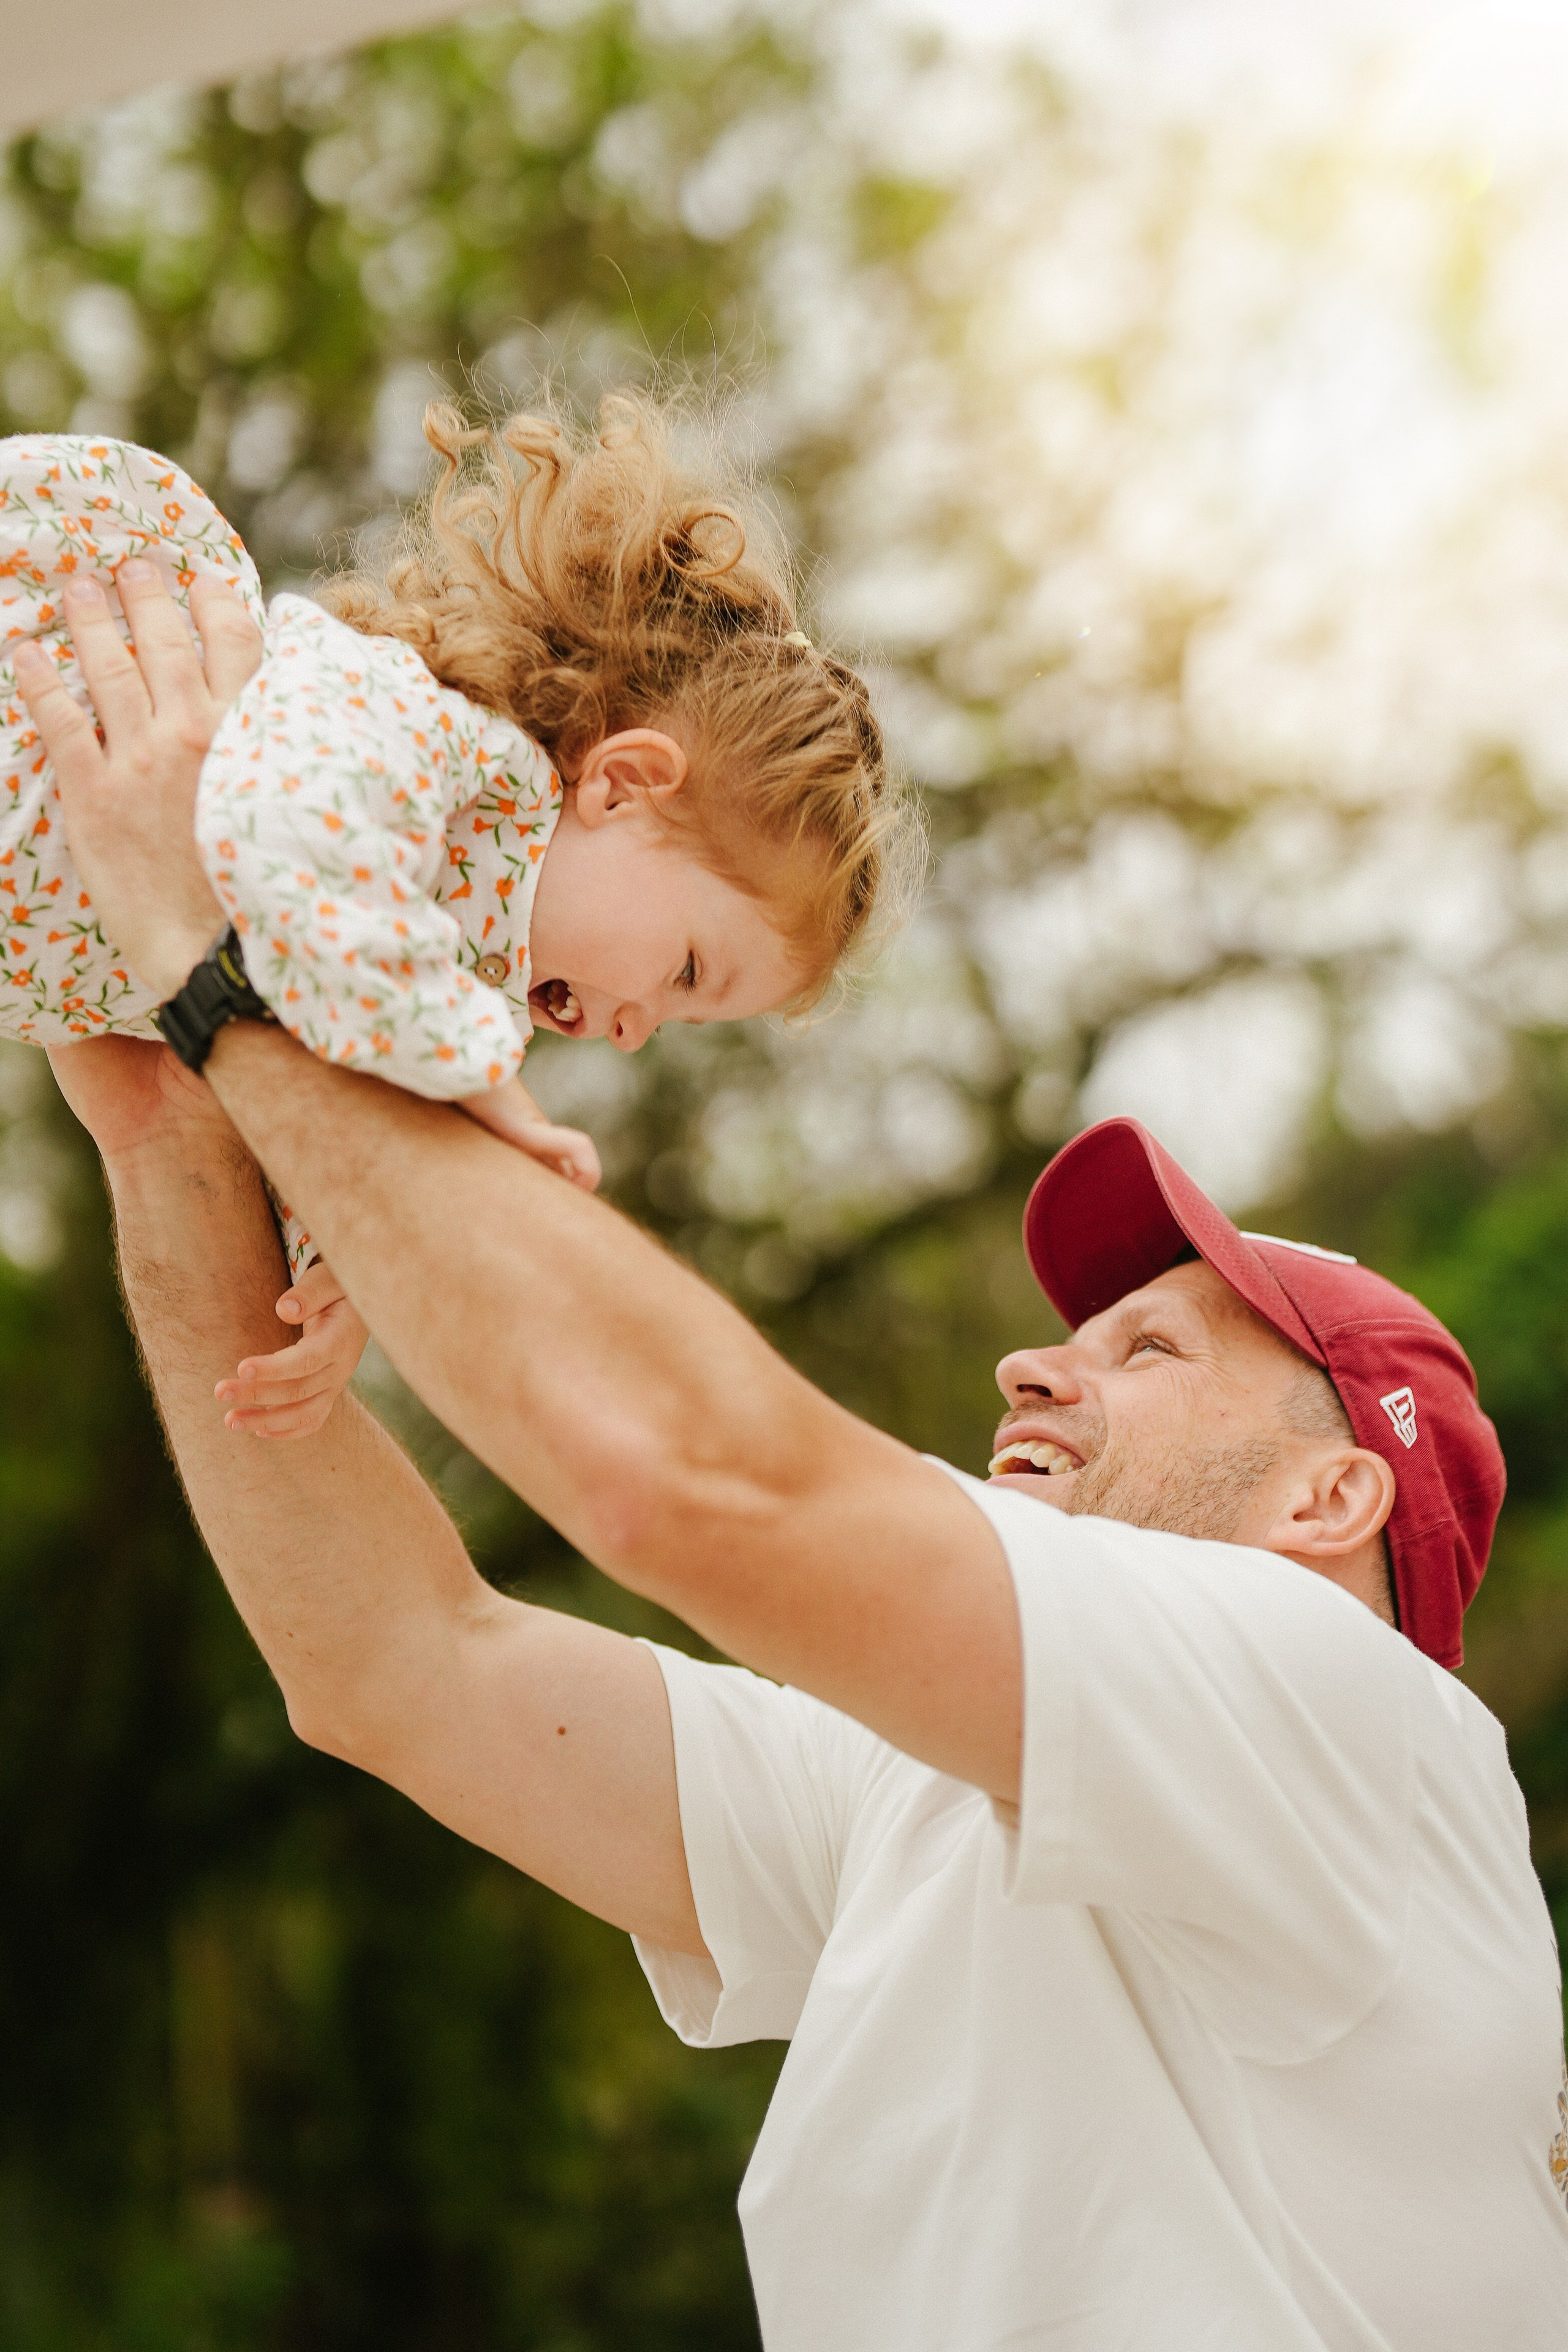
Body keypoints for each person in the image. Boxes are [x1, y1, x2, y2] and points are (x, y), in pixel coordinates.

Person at [20, 573, 1568, 2351]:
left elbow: (691, 1479)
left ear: (1330, 1501)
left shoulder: (1348, 1733)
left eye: (1146, 1349)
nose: (1031, 1359)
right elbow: (401, 1667)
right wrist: (166, 1147)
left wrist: (223, 979)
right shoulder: (939, 1798)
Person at [0, 414, 908, 1431]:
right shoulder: (441, 740)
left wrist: (338, 1263)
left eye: (680, 1021)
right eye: (688, 971)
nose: (636, 1024)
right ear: (623, 785)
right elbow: (302, 844)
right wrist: (485, 1087)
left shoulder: (443, 979)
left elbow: (314, 1054)